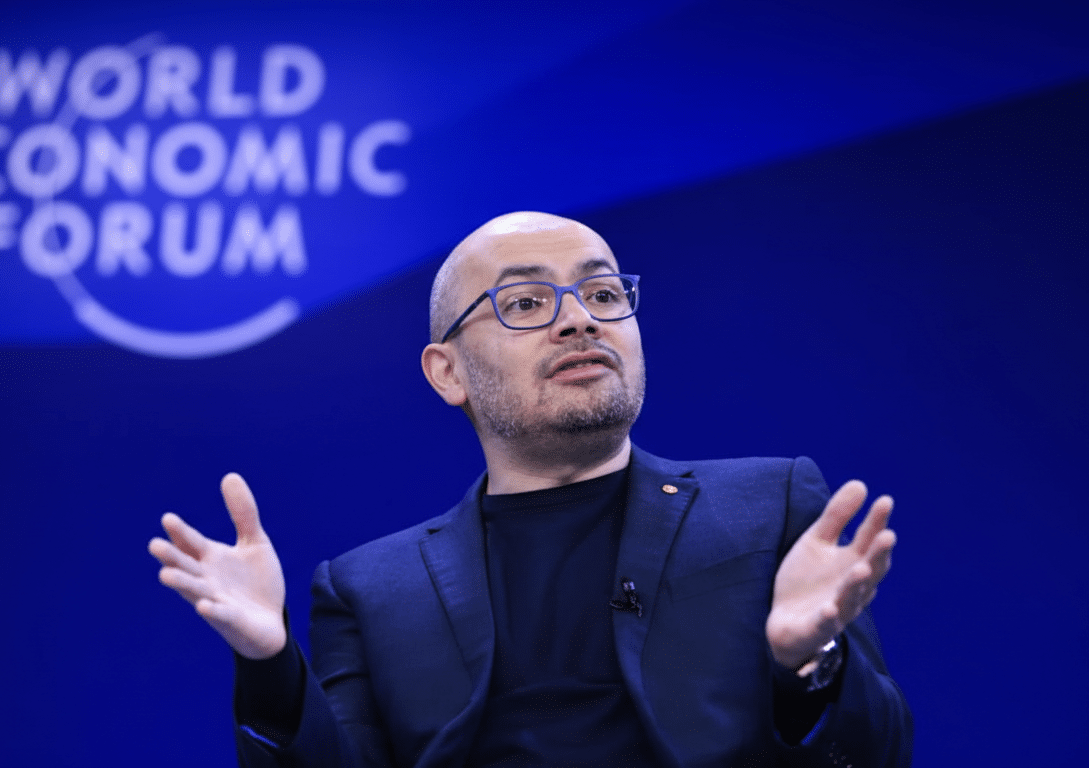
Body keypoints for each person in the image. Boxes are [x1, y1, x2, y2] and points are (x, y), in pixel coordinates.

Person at [148, 212, 912, 767]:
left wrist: (809, 667)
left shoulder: (768, 506)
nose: (579, 321)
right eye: (524, 303)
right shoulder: (367, 588)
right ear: (447, 372)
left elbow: (879, 757)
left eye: (604, 295)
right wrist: (272, 664)